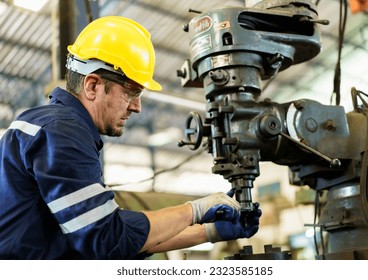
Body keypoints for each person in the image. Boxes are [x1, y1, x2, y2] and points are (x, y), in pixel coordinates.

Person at [0, 16, 261, 259]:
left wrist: (212, 231)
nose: (137, 107)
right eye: (131, 92)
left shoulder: (52, 126)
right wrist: (194, 210)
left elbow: (115, 236)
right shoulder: (60, 131)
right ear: (92, 86)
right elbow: (107, 238)